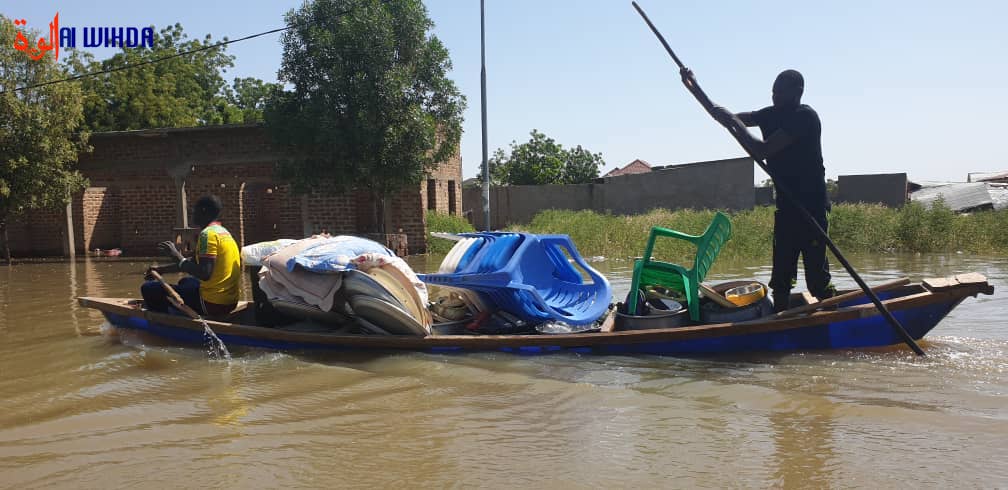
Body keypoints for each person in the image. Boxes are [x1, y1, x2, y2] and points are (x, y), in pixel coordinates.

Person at [684, 68, 836, 312]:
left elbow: (763, 149)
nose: (775, 96)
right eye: (773, 91)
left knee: (817, 280)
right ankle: (780, 323)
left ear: (798, 92)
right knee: (782, 278)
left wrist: (734, 122)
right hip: (787, 207)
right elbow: (722, 116)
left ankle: (832, 316)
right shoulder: (769, 115)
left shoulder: (804, 117)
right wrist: (694, 87)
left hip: (811, 207)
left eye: (780, 91)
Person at [141, 195, 241, 318]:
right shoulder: (223, 232)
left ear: (203, 211)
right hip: (230, 302)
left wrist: (176, 255)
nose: (192, 214)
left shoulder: (207, 235)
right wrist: (161, 270)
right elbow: (193, 262)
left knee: (148, 289)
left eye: (195, 211)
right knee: (186, 281)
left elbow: (204, 273)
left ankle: (168, 321)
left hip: (213, 304)